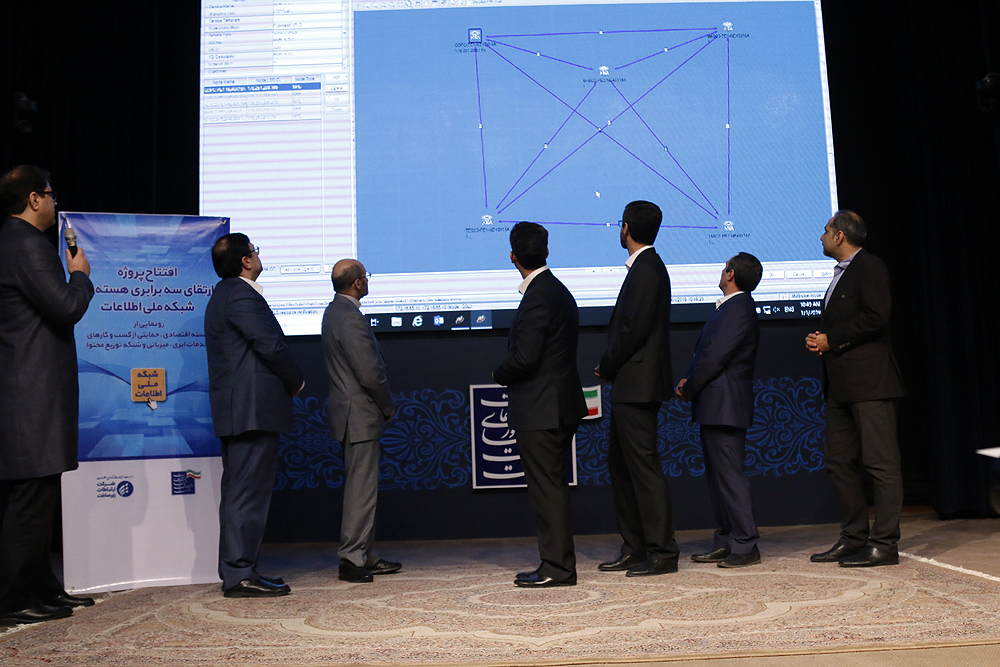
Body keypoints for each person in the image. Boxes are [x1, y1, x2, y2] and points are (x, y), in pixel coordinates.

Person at [0, 165, 95, 623]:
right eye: (51, 195)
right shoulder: (26, 244)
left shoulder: (18, 241)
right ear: (34, 198)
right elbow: (66, 307)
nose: (56, 204)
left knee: (40, 495)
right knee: (30, 500)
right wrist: (80, 275)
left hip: (33, 391)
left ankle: (41, 587)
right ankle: (12, 598)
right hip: (30, 394)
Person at [205, 233, 304, 597]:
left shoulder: (224, 294)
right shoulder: (241, 294)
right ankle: (240, 572)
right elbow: (270, 345)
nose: (258, 256)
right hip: (251, 409)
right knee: (247, 493)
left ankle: (237, 569)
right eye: (254, 251)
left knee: (239, 491)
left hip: (240, 409)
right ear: (246, 261)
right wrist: (296, 380)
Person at [806, 210, 905, 568]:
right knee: (839, 462)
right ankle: (853, 538)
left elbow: (876, 316)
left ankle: (885, 544)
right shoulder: (841, 273)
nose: (821, 236)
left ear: (840, 236)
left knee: (881, 463)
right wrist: (824, 339)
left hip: (870, 381)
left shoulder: (870, 266)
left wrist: (832, 339)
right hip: (840, 384)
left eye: (826, 230)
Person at [493, 222, 588, 588]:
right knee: (552, 487)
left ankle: (558, 568)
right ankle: (555, 563)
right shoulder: (556, 290)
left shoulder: (538, 296)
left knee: (547, 490)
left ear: (512, 256)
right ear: (546, 251)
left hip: (542, 408)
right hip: (556, 405)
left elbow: (526, 358)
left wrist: (498, 372)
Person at [595, 200, 679, 577]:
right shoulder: (645, 267)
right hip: (632, 383)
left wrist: (608, 364)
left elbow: (633, 330)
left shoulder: (647, 269)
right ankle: (635, 547)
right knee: (622, 466)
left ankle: (662, 552)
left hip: (638, 384)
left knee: (642, 468)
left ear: (626, 228)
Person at [676, 252, 763, 568]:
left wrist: (690, 385)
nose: (721, 271)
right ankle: (726, 540)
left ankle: (746, 544)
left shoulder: (738, 309)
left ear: (731, 274)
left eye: (724, 266)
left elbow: (714, 357)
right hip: (716, 405)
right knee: (718, 479)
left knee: (729, 477)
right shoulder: (731, 308)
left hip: (725, 405)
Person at [322, 259, 401, 583]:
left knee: (362, 487)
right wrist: (387, 404)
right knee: (361, 489)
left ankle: (366, 554)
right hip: (359, 414)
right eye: (365, 277)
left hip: (348, 412)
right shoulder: (349, 316)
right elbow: (369, 372)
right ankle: (352, 558)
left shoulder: (334, 311)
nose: (367, 281)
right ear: (357, 283)